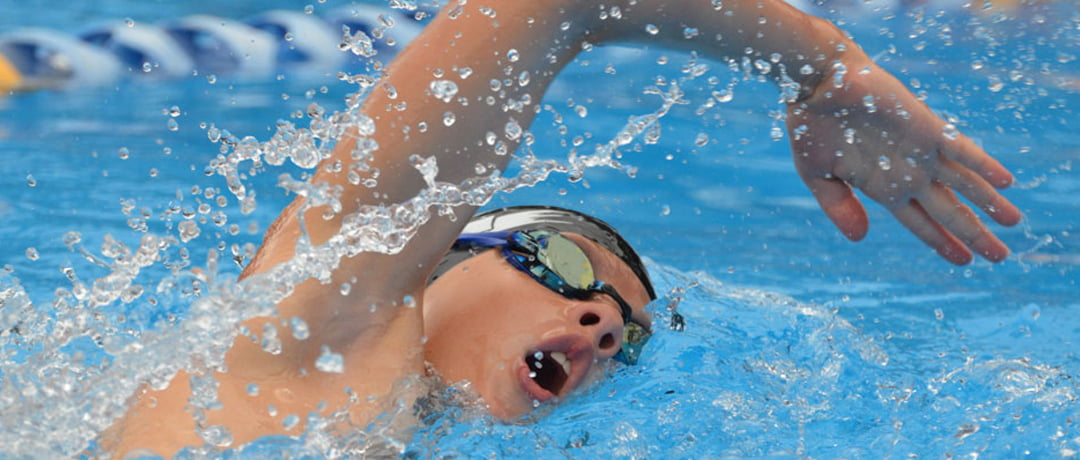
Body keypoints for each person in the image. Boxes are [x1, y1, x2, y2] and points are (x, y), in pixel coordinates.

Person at [101, 0, 1022, 456]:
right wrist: (825, 64)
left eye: (628, 336)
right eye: (566, 262)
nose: (602, 325)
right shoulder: (315, 328)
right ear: (445, 259)